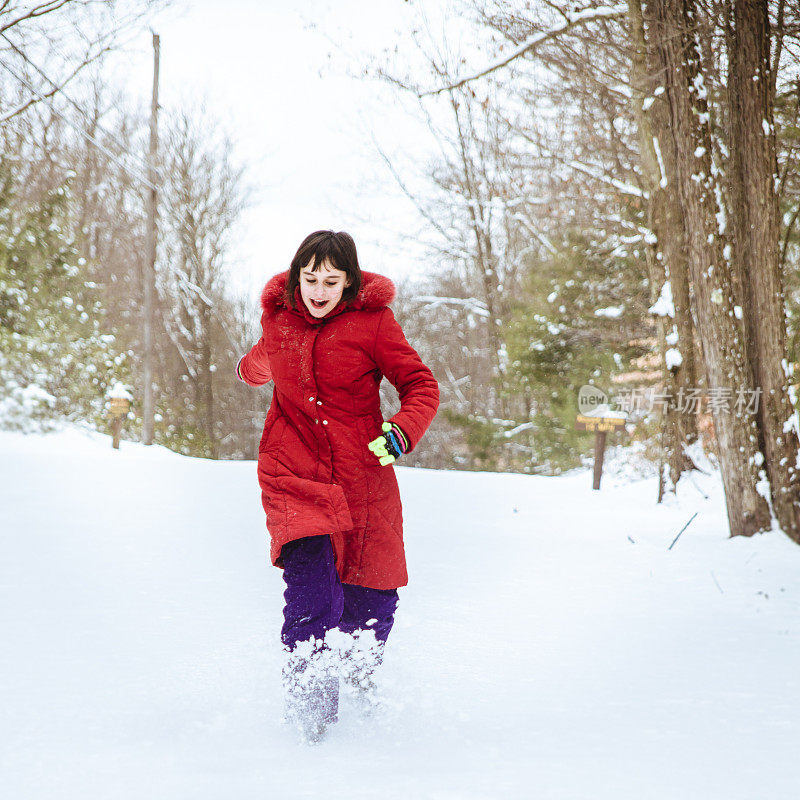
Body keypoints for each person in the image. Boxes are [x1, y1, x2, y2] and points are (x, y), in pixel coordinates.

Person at [236, 230, 439, 743]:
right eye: (309, 278)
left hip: (361, 474)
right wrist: (250, 368)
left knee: (371, 599)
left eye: (331, 280)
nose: (318, 290)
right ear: (294, 278)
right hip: (292, 472)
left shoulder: (374, 325)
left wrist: (401, 431)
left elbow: (420, 385)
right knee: (312, 592)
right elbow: (259, 362)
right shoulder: (277, 319)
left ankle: (360, 683)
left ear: (348, 283)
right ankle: (311, 724)